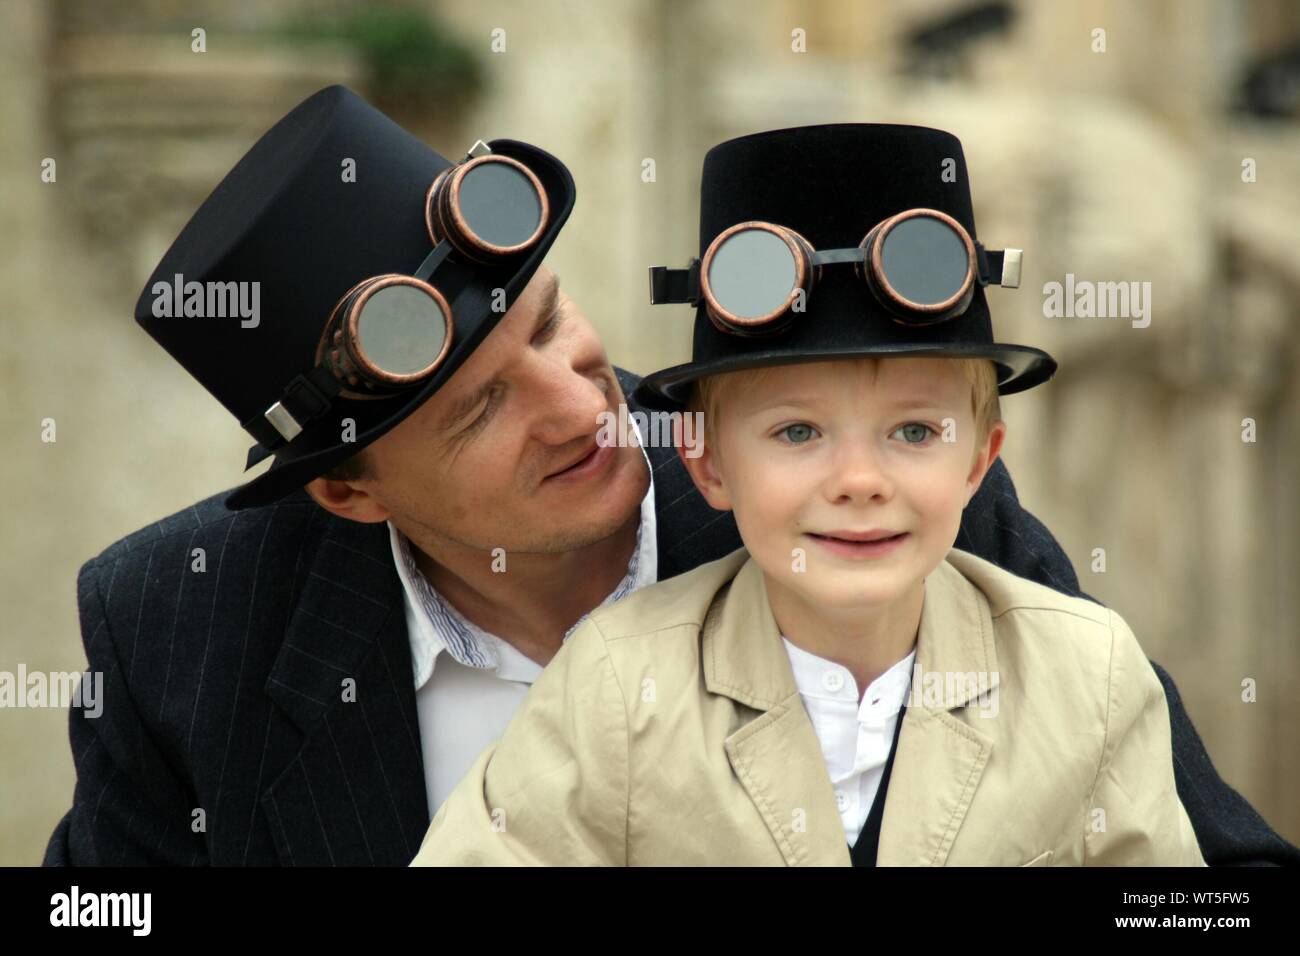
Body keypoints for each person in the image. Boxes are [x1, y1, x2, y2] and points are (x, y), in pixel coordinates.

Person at [43, 91, 1294, 866]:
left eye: (546, 323)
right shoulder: (178, 619)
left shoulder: (859, 502)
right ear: (352, 491)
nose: (585, 402)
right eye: (482, 404)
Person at [410, 126, 1234, 865]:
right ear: (705, 464)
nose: (860, 482)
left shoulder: (1088, 673)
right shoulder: (617, 686)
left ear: (981, 461)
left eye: (914, 432)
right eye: (797, 433)